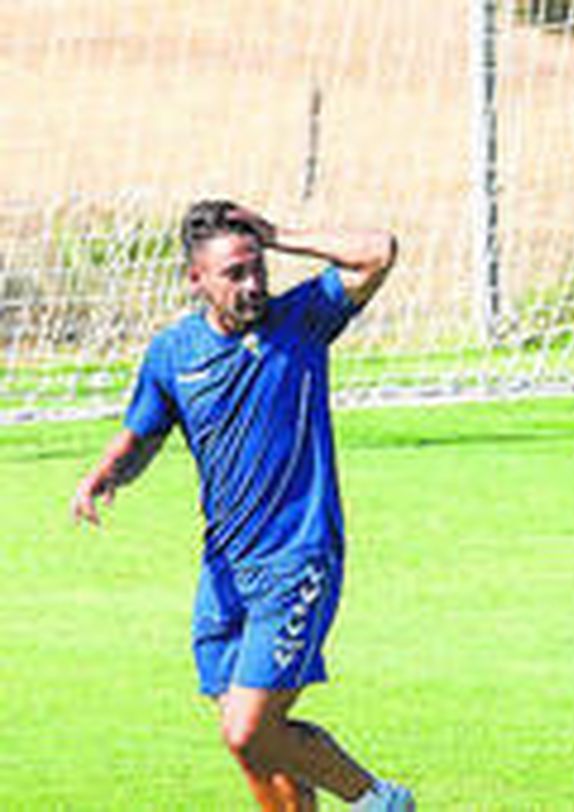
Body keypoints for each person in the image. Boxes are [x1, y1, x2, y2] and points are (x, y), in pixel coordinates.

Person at [69, 201, 412, 810]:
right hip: (225, 570)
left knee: (249, 727)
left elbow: (377, 251)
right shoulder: (174, 354)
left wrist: (280, 236)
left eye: (258, 268)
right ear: (195, 278)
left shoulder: (301, 321)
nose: (254, 284)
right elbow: (144, 434)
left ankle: (379, 801)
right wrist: (106, 471)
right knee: (252, 747)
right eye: (235, 273)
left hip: (297, 558)